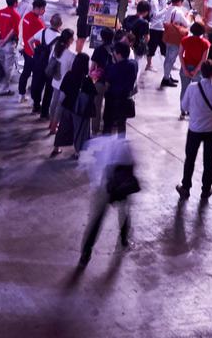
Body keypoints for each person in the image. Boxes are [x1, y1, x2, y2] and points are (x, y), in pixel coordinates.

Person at [78, 135, 136, 268]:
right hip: (118, 186)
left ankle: (85, 255)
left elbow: (83, 166)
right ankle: (124, 240)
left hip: (101, 187)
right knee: (124, 212)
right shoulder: (122, 144)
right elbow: (131, 165)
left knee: (96, 221)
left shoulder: (89, 145)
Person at [177, 60, 212, 201]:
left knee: (190, 159)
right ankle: (206, 190)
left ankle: (185, 188)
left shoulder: (192, 88)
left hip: (194, 129)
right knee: (208, 161)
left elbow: (185, 106)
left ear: (201, 71)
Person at [52, 53, 96, 158]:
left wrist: (59, 108)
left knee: (63, 128)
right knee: (80, 130)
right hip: (79, 110)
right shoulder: (87, 80)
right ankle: (77, 152)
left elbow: (62, 95)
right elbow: (92, 96)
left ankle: (56, 147)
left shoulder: (69, 75)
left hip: (67, 106)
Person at [102, 42, 137, 136]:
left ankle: (106, 144)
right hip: (125, 98)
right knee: (121, 123)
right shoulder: (133, 65)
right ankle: (121, 142)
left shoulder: (112, 68)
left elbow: (107, 83)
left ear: (119, 54)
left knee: (108, 123)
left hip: (112, 99)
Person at [178, 23, 210, 119]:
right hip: (198, 70)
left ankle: (183, 111)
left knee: (184, 90)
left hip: (186, 67)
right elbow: (203, 60)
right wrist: (195, 71)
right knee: (197, 92)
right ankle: (193, 112)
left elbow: (180, 54)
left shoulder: (185, 40)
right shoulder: (206, 43)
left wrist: (185, 69)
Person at [18, 0, 47, 103]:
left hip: (26, 50)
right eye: (43, 9)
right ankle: (33, 99)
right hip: (35, 53)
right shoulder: (38, 22)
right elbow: (42, 38)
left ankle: (21, 95)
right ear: (38, 8)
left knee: (25, 73)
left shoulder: (26, 17)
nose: (44, 11)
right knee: (36, 77)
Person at [161, 0, 189, 88]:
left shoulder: (169, 8)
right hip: (175, 38)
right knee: (171, 59)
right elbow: (187, 24)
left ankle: (167, 76)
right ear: (180, 1)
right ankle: (165, 78)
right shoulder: (179, 11)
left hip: (168, 35)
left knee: (168, 57)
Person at [0, 0, 20, 95]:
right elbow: (13, 31)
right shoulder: (16, 15)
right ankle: (4, 89)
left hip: (0, 43)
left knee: (0, 64)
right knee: (8, 67)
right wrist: (5, 40)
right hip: (9, 44)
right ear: (15, 3)